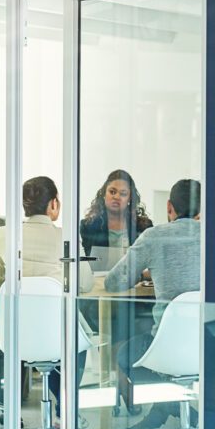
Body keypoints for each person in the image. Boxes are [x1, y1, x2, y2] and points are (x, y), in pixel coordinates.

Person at [0, 176, 93, 423]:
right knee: (73, 340)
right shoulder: (66, 236)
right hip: (56, 334)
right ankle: (63, 410)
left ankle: (13, 410)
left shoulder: (4, 233)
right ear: (53, 204)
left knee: (56, 336)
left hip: (14, 333)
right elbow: (85, 284)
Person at [106, 179, 202, 429]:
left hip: (166, 346)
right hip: (211, 340)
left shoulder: (154, 236)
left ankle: (175, 412)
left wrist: (147, 270)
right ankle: (176, 415)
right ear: (201, 211)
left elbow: (114, 282)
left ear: (169, 207)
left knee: (126, 354)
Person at [79, 169, 154, 413]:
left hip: (132, 295)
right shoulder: (88, 226)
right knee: (115, 320)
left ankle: (119, 382)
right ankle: (123, 384)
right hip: (97, 296)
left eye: (123, 194)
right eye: (112, 192)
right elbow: (83, 263)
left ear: (130, 198)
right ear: (103, 194)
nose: (116, 197)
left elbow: (148, 264)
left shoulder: (143, 226)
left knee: (128, 317)